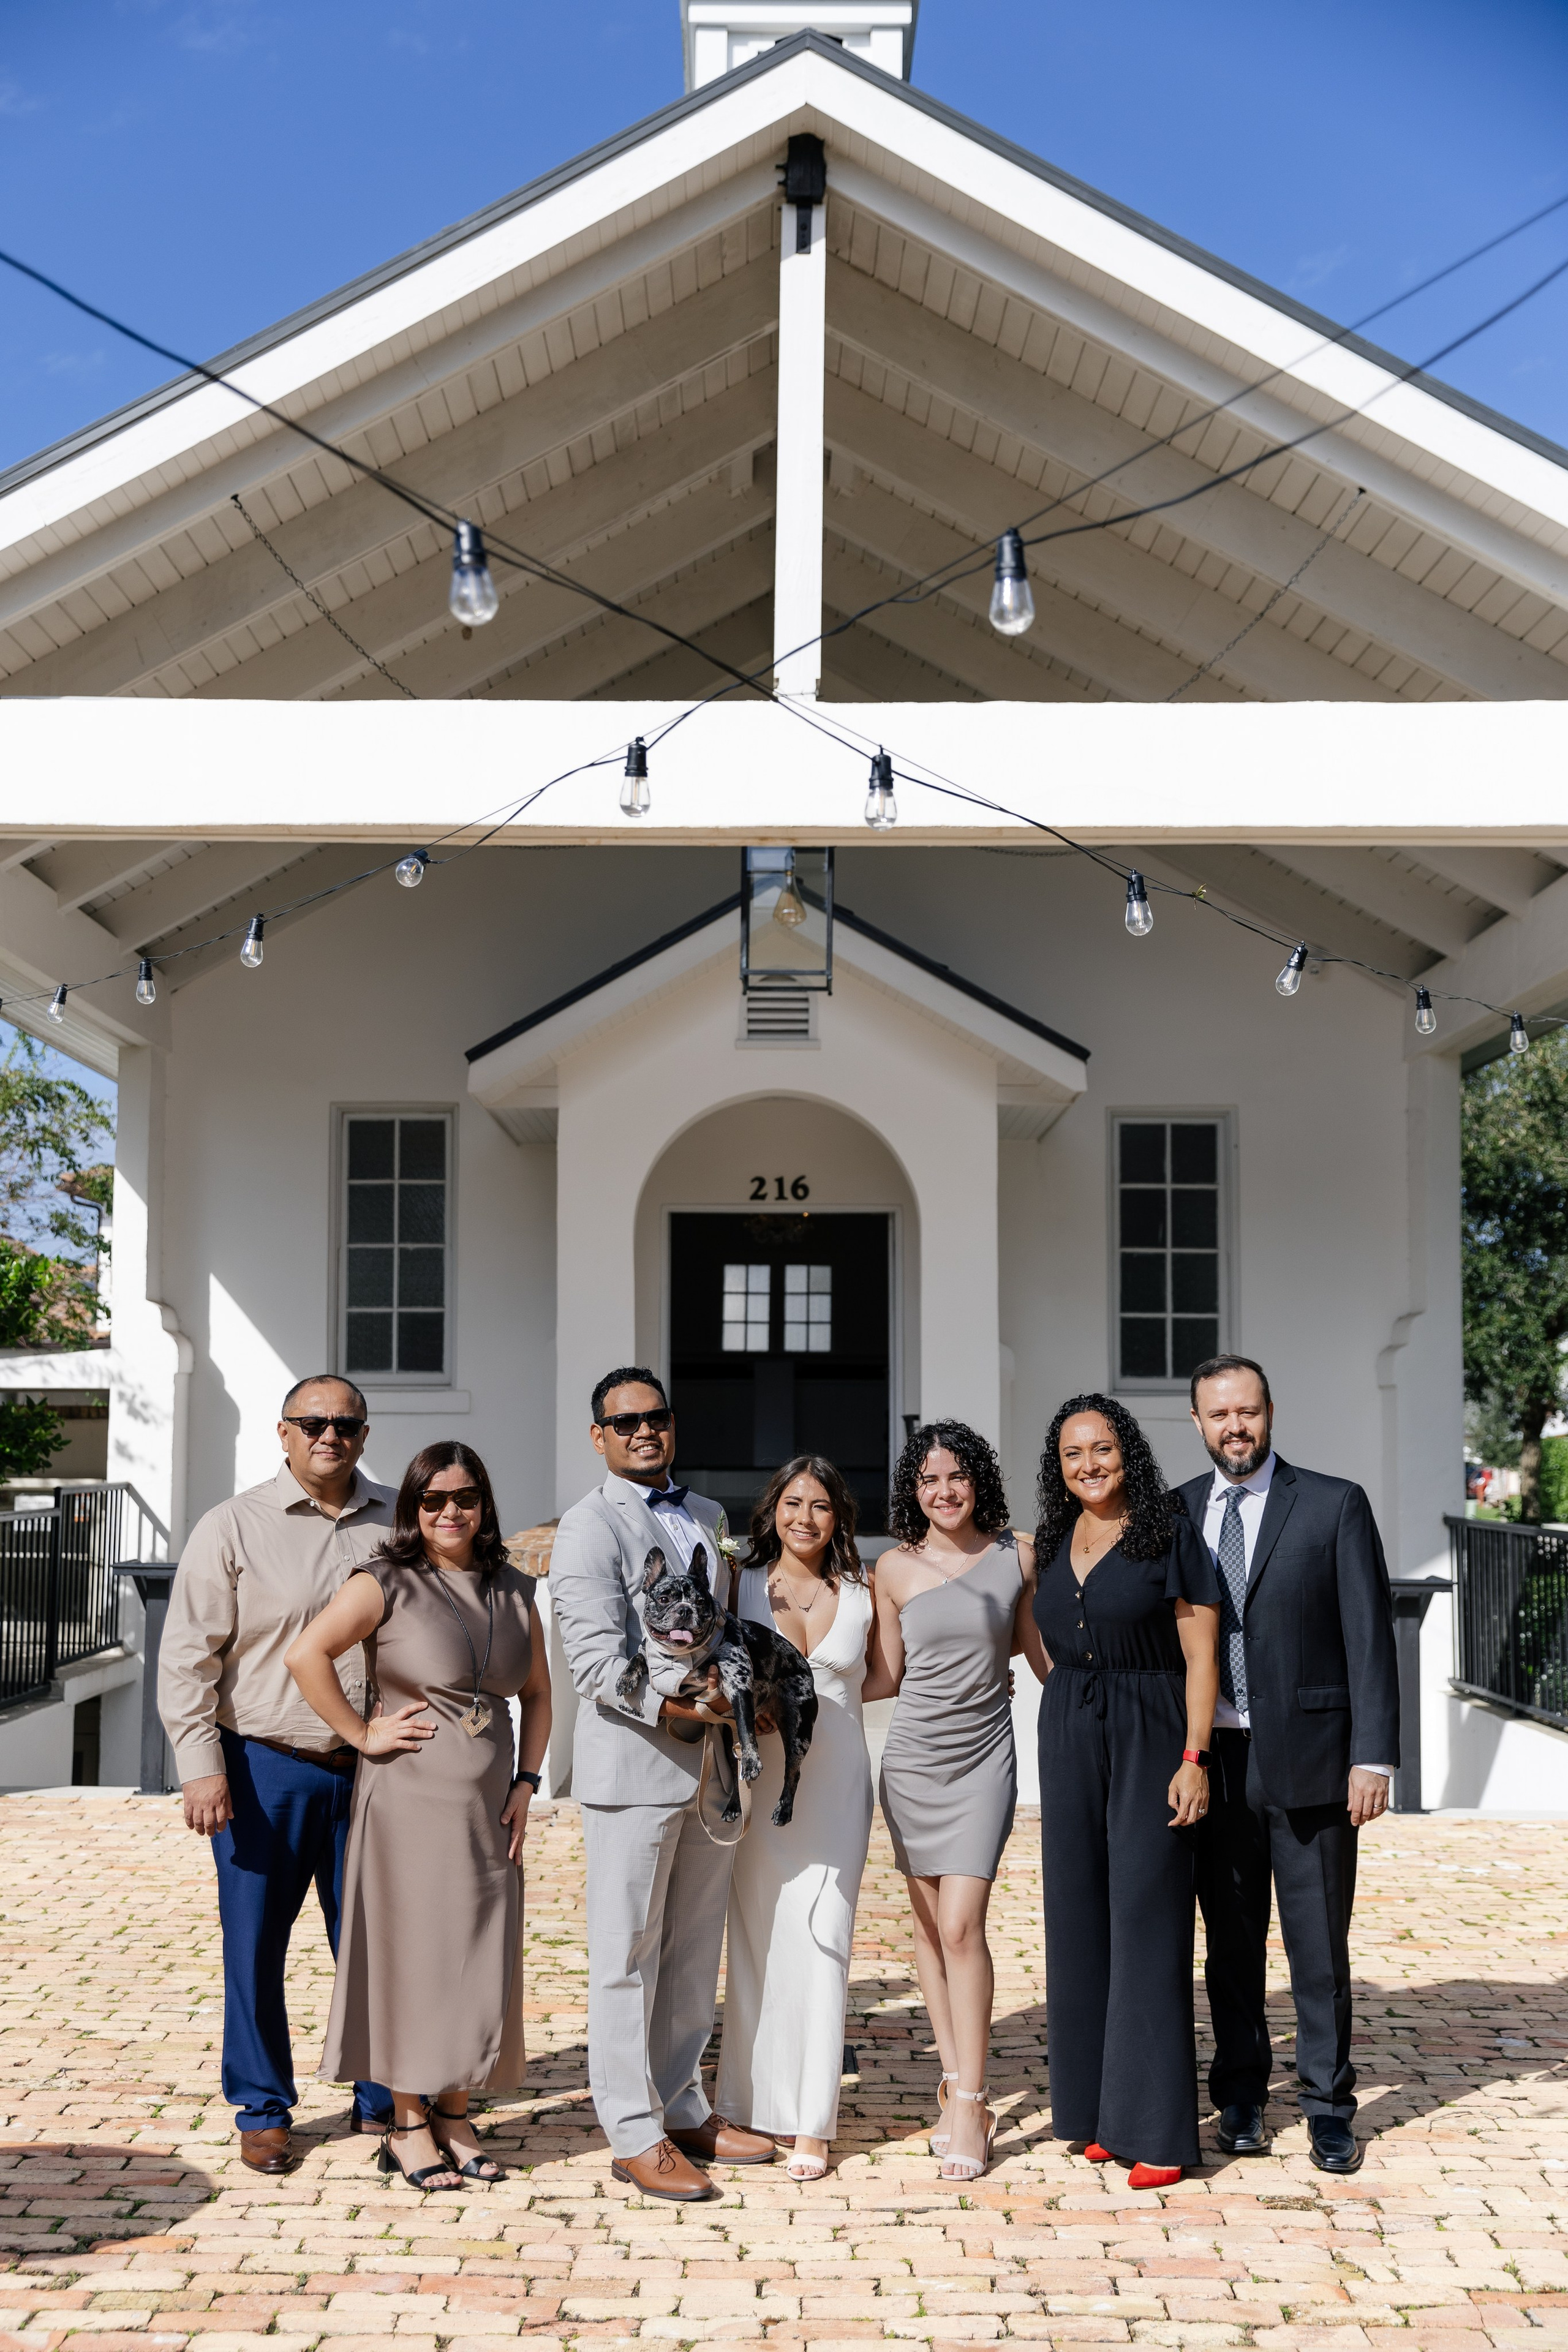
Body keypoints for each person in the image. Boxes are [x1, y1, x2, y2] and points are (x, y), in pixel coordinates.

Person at [285, 1441, 549, 2190]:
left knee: (480, 1954)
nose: (449, 1512)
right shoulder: (387, 1582)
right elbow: (308, 1655)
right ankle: (406, 2125)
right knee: (413, 1959)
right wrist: (362, 1733)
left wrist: (528, 1779)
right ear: (412, 1507)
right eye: (432, 1501)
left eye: (464, 1498)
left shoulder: (515, 1589)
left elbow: (537, 1693)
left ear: (484, 1503)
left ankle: (457, 2114)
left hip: (493, 1805)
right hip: (407, 1804)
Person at [549, 1366, 777, 2202]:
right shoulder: (585, 1528)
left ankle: (683, 2102)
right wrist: (689, 1701)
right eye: (625, 1421)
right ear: (599, 1436)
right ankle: (633, 2129)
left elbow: (726, 1626)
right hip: (637, 1767)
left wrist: (743, 1698)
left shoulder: (713, 1517)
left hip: (712, 1774)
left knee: (690, 1949)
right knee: (625, 1955)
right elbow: (595, 1662)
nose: (644, 1431)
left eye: (657, 1417)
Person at [157, 1375, 395, 2174]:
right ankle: (263, 2106)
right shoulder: (232, 1527)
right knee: (256, 1945)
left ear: (365, 1434)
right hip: (265, 1767)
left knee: (371, 1941)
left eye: (345, 1424)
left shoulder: (402, 1521)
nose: (330, 1436)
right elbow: (188, 1657)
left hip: (375, 1771)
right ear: (284, 1434)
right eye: (313, 1423)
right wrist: (200, 1767)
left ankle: (382, 2091)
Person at [1182, 1354, 1398, 2176]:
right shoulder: (1175, 1515)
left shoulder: (1334, 1505)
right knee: (1231, 1949)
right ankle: (1239, 2098)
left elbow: (1369, 1636)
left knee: (1318, 1948)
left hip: (1313, 1760)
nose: (1236, 1427)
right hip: (1217, 1764)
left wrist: (1371, 1755)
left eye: (1249, 1411)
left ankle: (1328, 2108)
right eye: (1220, 1415)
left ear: (1269, 1413)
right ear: (1198, 1424)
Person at [1033, 1394, 1220, 2188]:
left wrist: (1193, 1756)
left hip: (1152, 1731)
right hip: (1070, 1731)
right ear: (1059, 1466)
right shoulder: (1050, 1538)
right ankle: (1100, 2113)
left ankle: (1161, 2133)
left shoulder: (1166, 1530)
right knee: (1078, 1920)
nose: (1089, 1465)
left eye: (1102, 1449)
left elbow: (1202, 1656)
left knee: (1148, 1922)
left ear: (1127, 1452)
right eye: (1074, 1454)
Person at [716, 1454, 897, 2182]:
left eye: (820, 1506)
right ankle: (748, 2103)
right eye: (793, 1503)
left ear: (838, 1516)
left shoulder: (863, 1588)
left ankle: (811, 2121)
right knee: (757, 1937)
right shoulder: (741, 1583)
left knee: (823, 1934)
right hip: (760, 1781)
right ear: (773, 1510)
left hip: (837, 1779)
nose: (805, 1518)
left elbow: (885, 1673)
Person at [875, 1419, 1038, 2184]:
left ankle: (971, 2100)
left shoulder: (1019, 1554)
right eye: (928, 1480)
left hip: (982, 1763)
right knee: (930, 1932)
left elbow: (1039, 1653)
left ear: (979, 1481)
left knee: (961, 1924)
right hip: (910, 1764)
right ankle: (951, 2082)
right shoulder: (893, 1568)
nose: (943, 1491)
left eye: (956, 1476)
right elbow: (884, 1674)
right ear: (914, 1490)